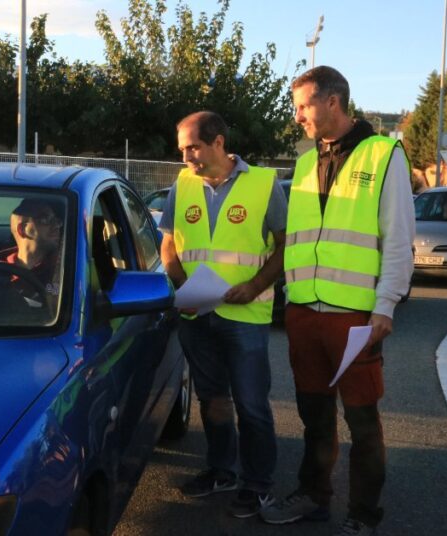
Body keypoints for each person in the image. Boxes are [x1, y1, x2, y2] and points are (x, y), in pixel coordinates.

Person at [260, 66, 415, 536]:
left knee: (363, 422)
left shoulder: (384, 154)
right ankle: (314, 496)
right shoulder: (306, 161)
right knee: (314, 416)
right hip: (304, 311)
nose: (297, 116)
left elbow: (398, 238)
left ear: (333, 102)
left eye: (303, 106)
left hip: (355, 315)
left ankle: (363, 515)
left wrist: (386, 304)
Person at [159, 111, 285, 518]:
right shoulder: (183, 184)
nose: (186, 158)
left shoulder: (264, 184)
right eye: (182, 150)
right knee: (212, 399)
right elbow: (169, 246)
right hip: (197, 312)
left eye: (192, 147)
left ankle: (258, 484)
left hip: (245, 315)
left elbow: (285, 247)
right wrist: (183, 287)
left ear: (218, 143)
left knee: (251, 405)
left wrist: (256, 286)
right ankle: (221, 470)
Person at [0, 198, 63, 307]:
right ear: (23, 229)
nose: (56, 226)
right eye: (46, 219)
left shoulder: (64, 269)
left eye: (57, 220)